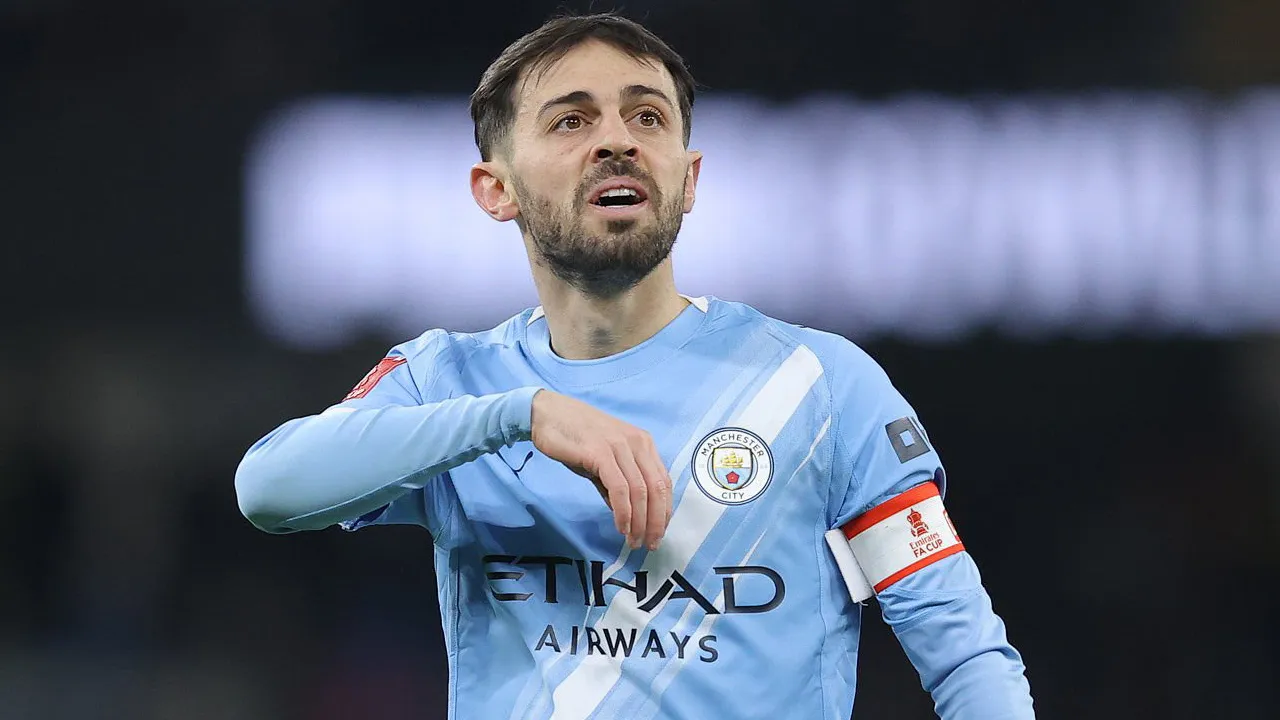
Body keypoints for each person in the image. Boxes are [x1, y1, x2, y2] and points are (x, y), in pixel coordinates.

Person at [235, 12, 1035, 719]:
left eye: (647, 117)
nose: (616, 139)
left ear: (688, 180)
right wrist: (523, 414)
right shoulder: (448, 382)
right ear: (495, 189)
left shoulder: (821, 387)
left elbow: (963, 654)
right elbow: (270, 489)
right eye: (571, 121)